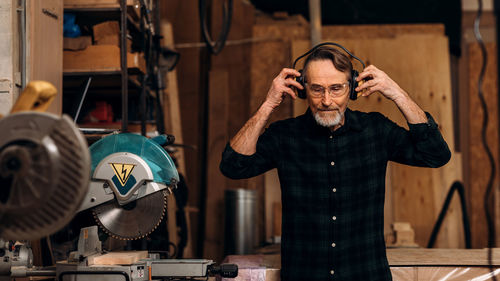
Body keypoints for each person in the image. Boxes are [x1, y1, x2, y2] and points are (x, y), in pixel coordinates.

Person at [219, 46, 451, 280]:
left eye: (336, 89)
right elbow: (233, 165)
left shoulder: (376, 130)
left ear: (352, 89)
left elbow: (436, 155)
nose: (326, 101)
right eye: (317, 89)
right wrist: (268, 104)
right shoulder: (285, 136)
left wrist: (397, 93)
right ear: (302, 89)